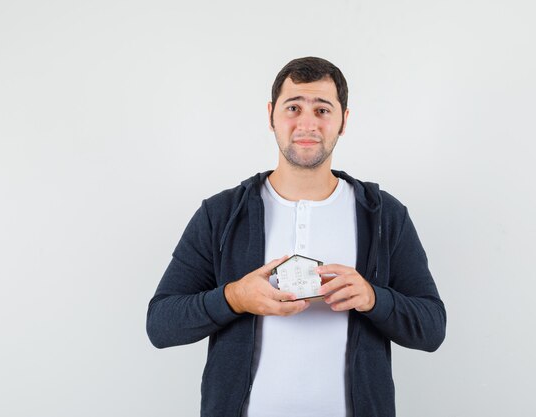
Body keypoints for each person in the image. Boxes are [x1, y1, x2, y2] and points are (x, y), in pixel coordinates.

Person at [146, 57, 446, 417]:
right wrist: (234, 297)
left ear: (343, 121)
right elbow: (160, 324)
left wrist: (373, 298)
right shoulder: (221, 214)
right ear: (272, 115)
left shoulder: (383, 215)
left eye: (322, 109)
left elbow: (432, 328)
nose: (307, 123)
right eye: (294, 108)